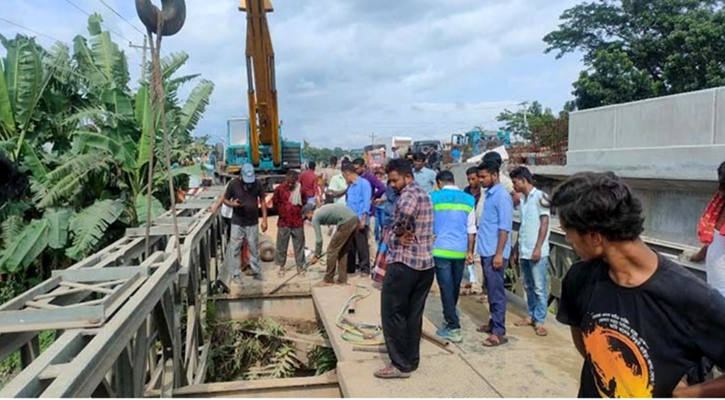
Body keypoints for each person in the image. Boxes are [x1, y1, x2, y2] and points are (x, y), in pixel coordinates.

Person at [552, 172, 725, 398]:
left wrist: (689, 394)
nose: (567, 240)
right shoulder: (580, 278)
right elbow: (583, 339)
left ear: (594, 237)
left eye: (567, 232)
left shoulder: (692, 297)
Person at [375, 159, 435, 380]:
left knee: (393, 313)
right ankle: (411, 360)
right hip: (425, 265)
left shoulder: (409, 194)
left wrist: (399, 230)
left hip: (405, 263)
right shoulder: (425, 195)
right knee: (413, 315)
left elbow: (405, 213)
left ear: (407, 177)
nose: (392, 185)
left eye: (394, 180)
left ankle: (399, 364)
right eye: (389, 181)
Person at [431, 170, 477, 343]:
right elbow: (471, 229)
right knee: (454, 286)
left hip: (440, 249)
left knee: (445, 287)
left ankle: (453, 326)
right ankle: (450, 314)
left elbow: (427, 221)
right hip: (459, 249)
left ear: (440, 182)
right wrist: (470, 251)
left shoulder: (433, 197)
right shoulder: (468, 199)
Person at [471, 160, 513, 347]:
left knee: (496, 292)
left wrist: (499, 254)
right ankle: (493, 323)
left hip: (495, 251)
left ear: (495, 175)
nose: (480, 180)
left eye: (483, 176)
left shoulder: (502, 197)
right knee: (491, 290)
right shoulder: (489, 195)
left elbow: (504, 228)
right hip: (486, 249)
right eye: (479, 177)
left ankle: (499, 332)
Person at [510, 166, 550, 337]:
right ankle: (532, 315)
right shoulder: (523, 201)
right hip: (525, 249)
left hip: (536, 250)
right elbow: (524, 226)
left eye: (515, 182)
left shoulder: (541, 197)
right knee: (528, 285)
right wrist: (517, 248)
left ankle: (540, 320)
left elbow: (545, 223)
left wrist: (538, 247)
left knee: (539, 287)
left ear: (523, 180)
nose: (514, 186)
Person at [218, 164, 268, 289]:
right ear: (241, 175)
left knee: (253, 247)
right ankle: (235, 274)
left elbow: (262, 200)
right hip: (237, 222)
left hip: (252, 222)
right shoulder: (233, 184)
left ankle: (256, 271)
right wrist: (232, 204)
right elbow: (224, 199)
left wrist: (265, 220)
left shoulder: (257, 184)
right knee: (235, 248)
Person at [691, 160, 725, 297]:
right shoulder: (720, 205)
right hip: (716, 291)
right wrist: (700, 255)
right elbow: (716, 239)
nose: (720, 191)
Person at [306, 203, 359, 285]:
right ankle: (342, 279)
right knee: (343, 251)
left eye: (307, 217)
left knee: (331, 251)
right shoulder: (321, 211)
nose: (307, 219)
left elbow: (319, 240)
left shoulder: (315, 218)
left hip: (346, 222)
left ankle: (328, 279)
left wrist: (316, 255)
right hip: (354, 219)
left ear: (310, 212)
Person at [272, 170, 306, 277]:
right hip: (284, 222)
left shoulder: (300, 190)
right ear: (286, 179)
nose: (290, 184)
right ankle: (281, 266)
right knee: (281, 245)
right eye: (289, 182)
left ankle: (300, 266)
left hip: (297, 221)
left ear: (296, 181)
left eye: (293, 183)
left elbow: (304, 202)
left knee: (299, 245)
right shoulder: (279, 189)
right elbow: (275, 202)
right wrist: (282, 211)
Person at [342, 162, 372, 275]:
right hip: (350, 220)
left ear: (347, 173)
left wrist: (363, 219)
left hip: (360, 220)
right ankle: (350, 268)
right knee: (350, 246)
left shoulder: (364, 184)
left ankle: (365, 269)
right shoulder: (350, 187)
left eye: (344, 176)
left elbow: (366, 203)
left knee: (362, 246)